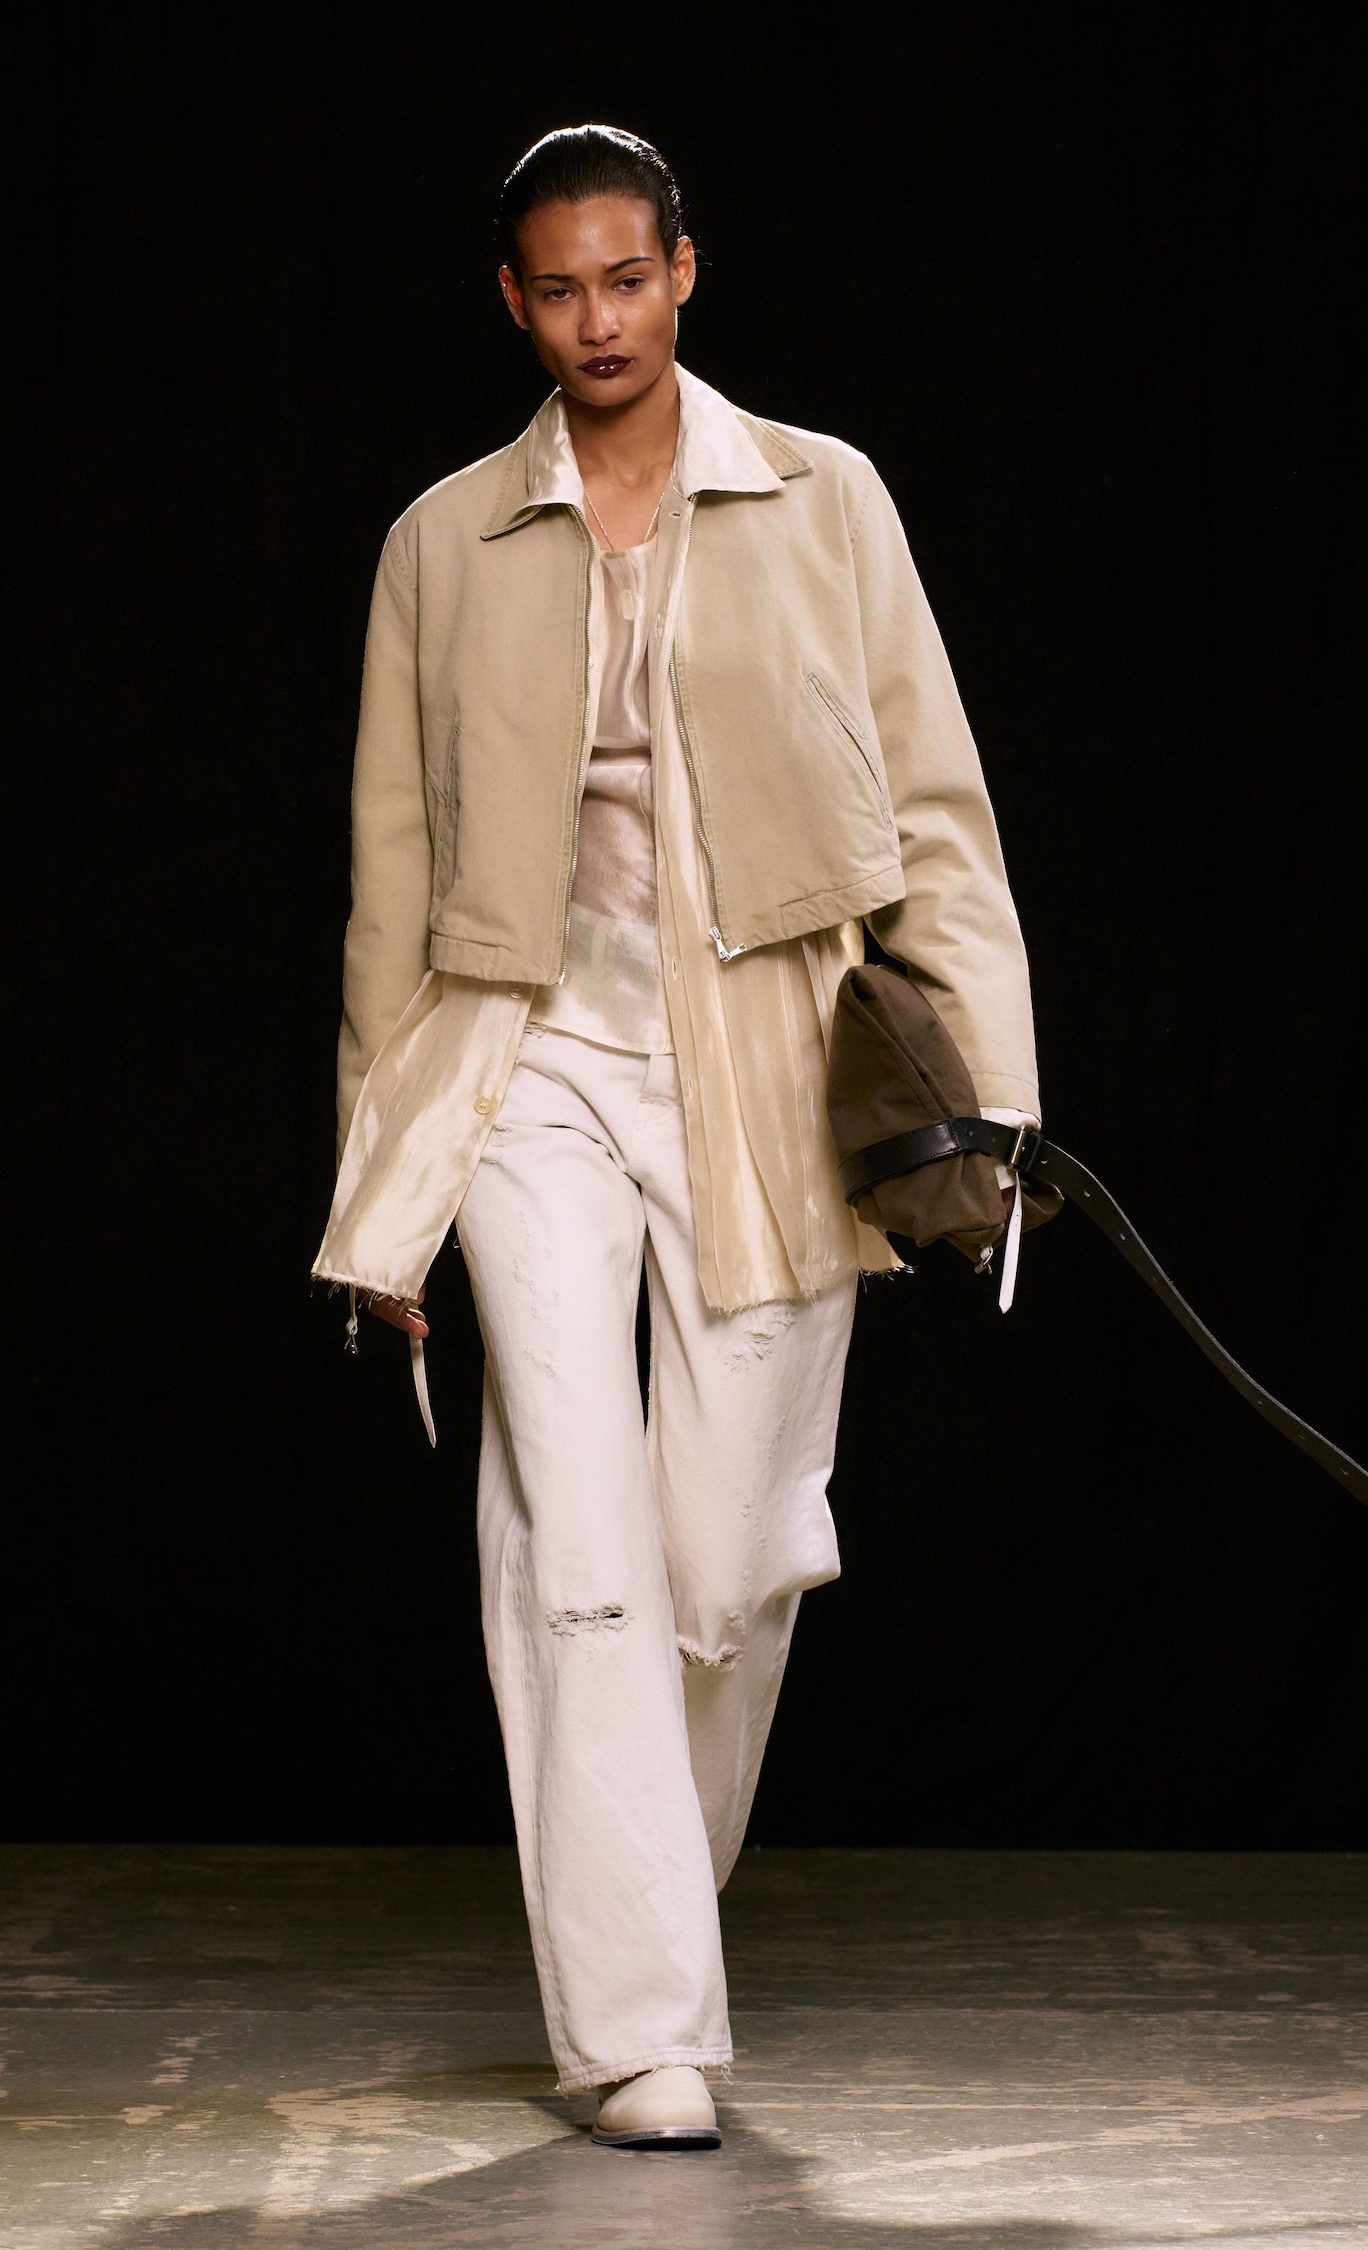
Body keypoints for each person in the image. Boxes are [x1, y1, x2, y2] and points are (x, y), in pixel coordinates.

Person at [314, 125, 1040, 2149]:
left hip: (769, 1065)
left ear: (685, 271)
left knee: (728, 1557)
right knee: (579, 1527)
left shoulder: (825, 498)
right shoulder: (441, 541)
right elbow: (390, 880)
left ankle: (644, 1900)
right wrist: (383, 1199)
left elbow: (938, 815)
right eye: (557, 288)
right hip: (522, 1057)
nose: (597, 320)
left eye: (626, 278)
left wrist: (992, 1108)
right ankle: (642, 2024)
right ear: (513, 301)